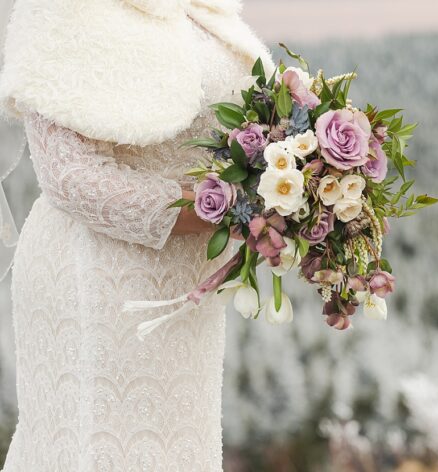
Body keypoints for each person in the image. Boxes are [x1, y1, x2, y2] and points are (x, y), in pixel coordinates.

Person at [0, 0, 271, 469]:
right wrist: (230, 210)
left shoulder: (205, 11)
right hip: (97, 277)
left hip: (186, 281)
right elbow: (70, 176)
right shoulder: (58, 9)